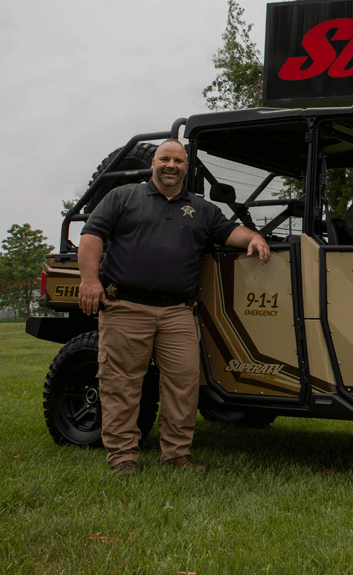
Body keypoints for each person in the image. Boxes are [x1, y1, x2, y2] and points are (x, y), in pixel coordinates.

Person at [78, 139, 270, 477]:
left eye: (178, 161)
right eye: (165, 159)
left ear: (186, 167)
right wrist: (89, 281)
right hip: (126, 307)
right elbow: (92, 235)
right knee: (121, 385)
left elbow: (229, 231)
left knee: (183, 384)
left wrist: (253, 237)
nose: (171, 166)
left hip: (178, 312)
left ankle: (177, 455)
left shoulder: (201, 208)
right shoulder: (123, 197)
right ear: (153, 162)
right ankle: (123, 458)